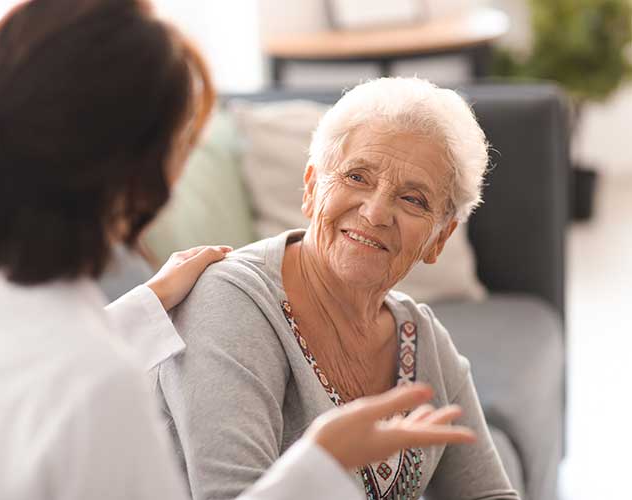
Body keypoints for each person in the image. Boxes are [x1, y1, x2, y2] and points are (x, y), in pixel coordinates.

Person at [0, 2, 475, 499]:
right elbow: (56, 384)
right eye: (184, 142)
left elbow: (16, 373)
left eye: (413, 200)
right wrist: (318, 464)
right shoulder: (97, 385)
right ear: (144, 173)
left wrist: (142, 308)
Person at [156, 77, 521, 500]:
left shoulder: (423, 342)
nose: (376, 211)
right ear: (311, 189)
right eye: (357, 176)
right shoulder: (229, 302)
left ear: (439, 239)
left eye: (413, 200)